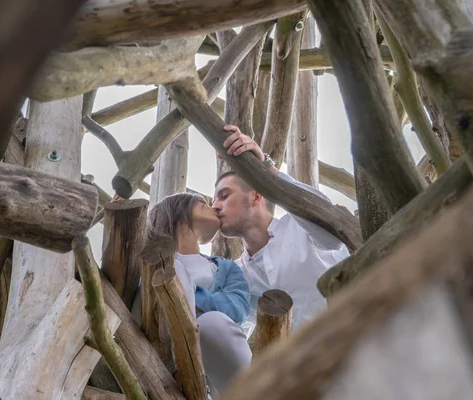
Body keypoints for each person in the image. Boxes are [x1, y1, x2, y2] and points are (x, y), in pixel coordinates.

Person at [212, 124, 351, 337]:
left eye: (224, 195)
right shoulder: (239, 275)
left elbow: (331, 230)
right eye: (213, 201)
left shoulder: (300, 228)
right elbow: (234, 331)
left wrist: (265, 168)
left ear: (257, 196)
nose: (215, 206)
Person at [144, 192, 253, 394]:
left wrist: (195, 296)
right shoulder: (152, 264)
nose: (213, 206)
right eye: (202, 202)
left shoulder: (226, 267)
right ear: (177, 211)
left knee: (213, 324)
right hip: (163, 352)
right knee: (174, 268)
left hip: (221, 364)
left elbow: (239, 309)